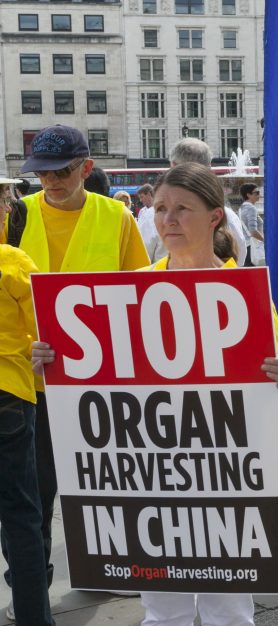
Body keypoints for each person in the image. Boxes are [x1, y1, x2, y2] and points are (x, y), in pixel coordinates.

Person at [34, 162, 278, 624]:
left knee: (230, 612)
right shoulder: (132, 289)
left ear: (215, 216)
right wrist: (53, 361)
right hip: (153, 481)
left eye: (181, 209)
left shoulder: (245, 293)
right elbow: (98, 385)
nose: (168, 220)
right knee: (162, 611)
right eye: (160, 209)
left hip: (223, 479)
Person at [9, 125, 149, 617]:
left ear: (86, 168)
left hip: (102, 381)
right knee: (37, 492)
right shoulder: (17, 216)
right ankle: (32, 582)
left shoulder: (116, 217)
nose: (50, 181)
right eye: (41, 172)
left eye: (61, 171)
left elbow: (139, 295)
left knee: (106, 484)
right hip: (35, 383)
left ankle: (110, 568)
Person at [0, 184, 54, 626]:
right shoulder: (12, 263)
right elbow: (44, 333)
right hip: (9, 396)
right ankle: (35, 617)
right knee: (21, 516)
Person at [169, 138, 247, 266]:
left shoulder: (153, 217)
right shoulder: (228, 216)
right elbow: (239, 257)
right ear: (209, 168)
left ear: (173, 166)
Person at [136, 183, 166, 263]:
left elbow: (144, 248)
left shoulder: (148, 215)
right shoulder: (144, 212)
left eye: (142, 197)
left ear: (149, 194)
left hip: (156, 269)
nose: (140, 200)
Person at [239, 183, 264, 267]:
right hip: (252, 248)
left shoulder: (241, 208)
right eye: (256, 193)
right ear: (248, 195)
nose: (259, 195)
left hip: (246, 247)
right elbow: (253, 231)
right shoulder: (251, 208)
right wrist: (266, 241)